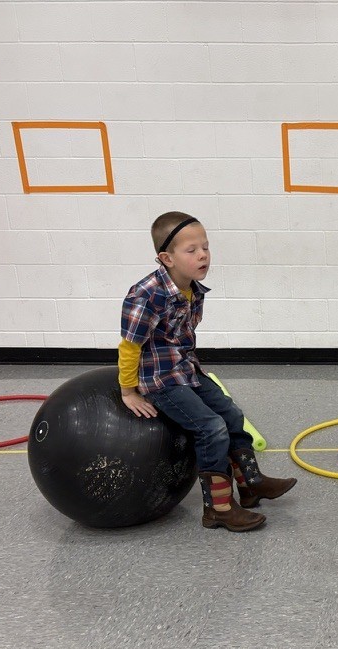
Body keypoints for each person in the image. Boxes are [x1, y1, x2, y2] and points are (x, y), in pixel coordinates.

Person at [117, 211, 297, 532]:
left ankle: (250, 484)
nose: (202, 255)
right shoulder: (145, 295)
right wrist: (128, 391)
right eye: (191, 250)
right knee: (211, 428)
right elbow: (130, 346)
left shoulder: (193, 288)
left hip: (187, 371)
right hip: (160, 381)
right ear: (166, 258)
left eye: (206, 247)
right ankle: (218, 509)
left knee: (231, 414)